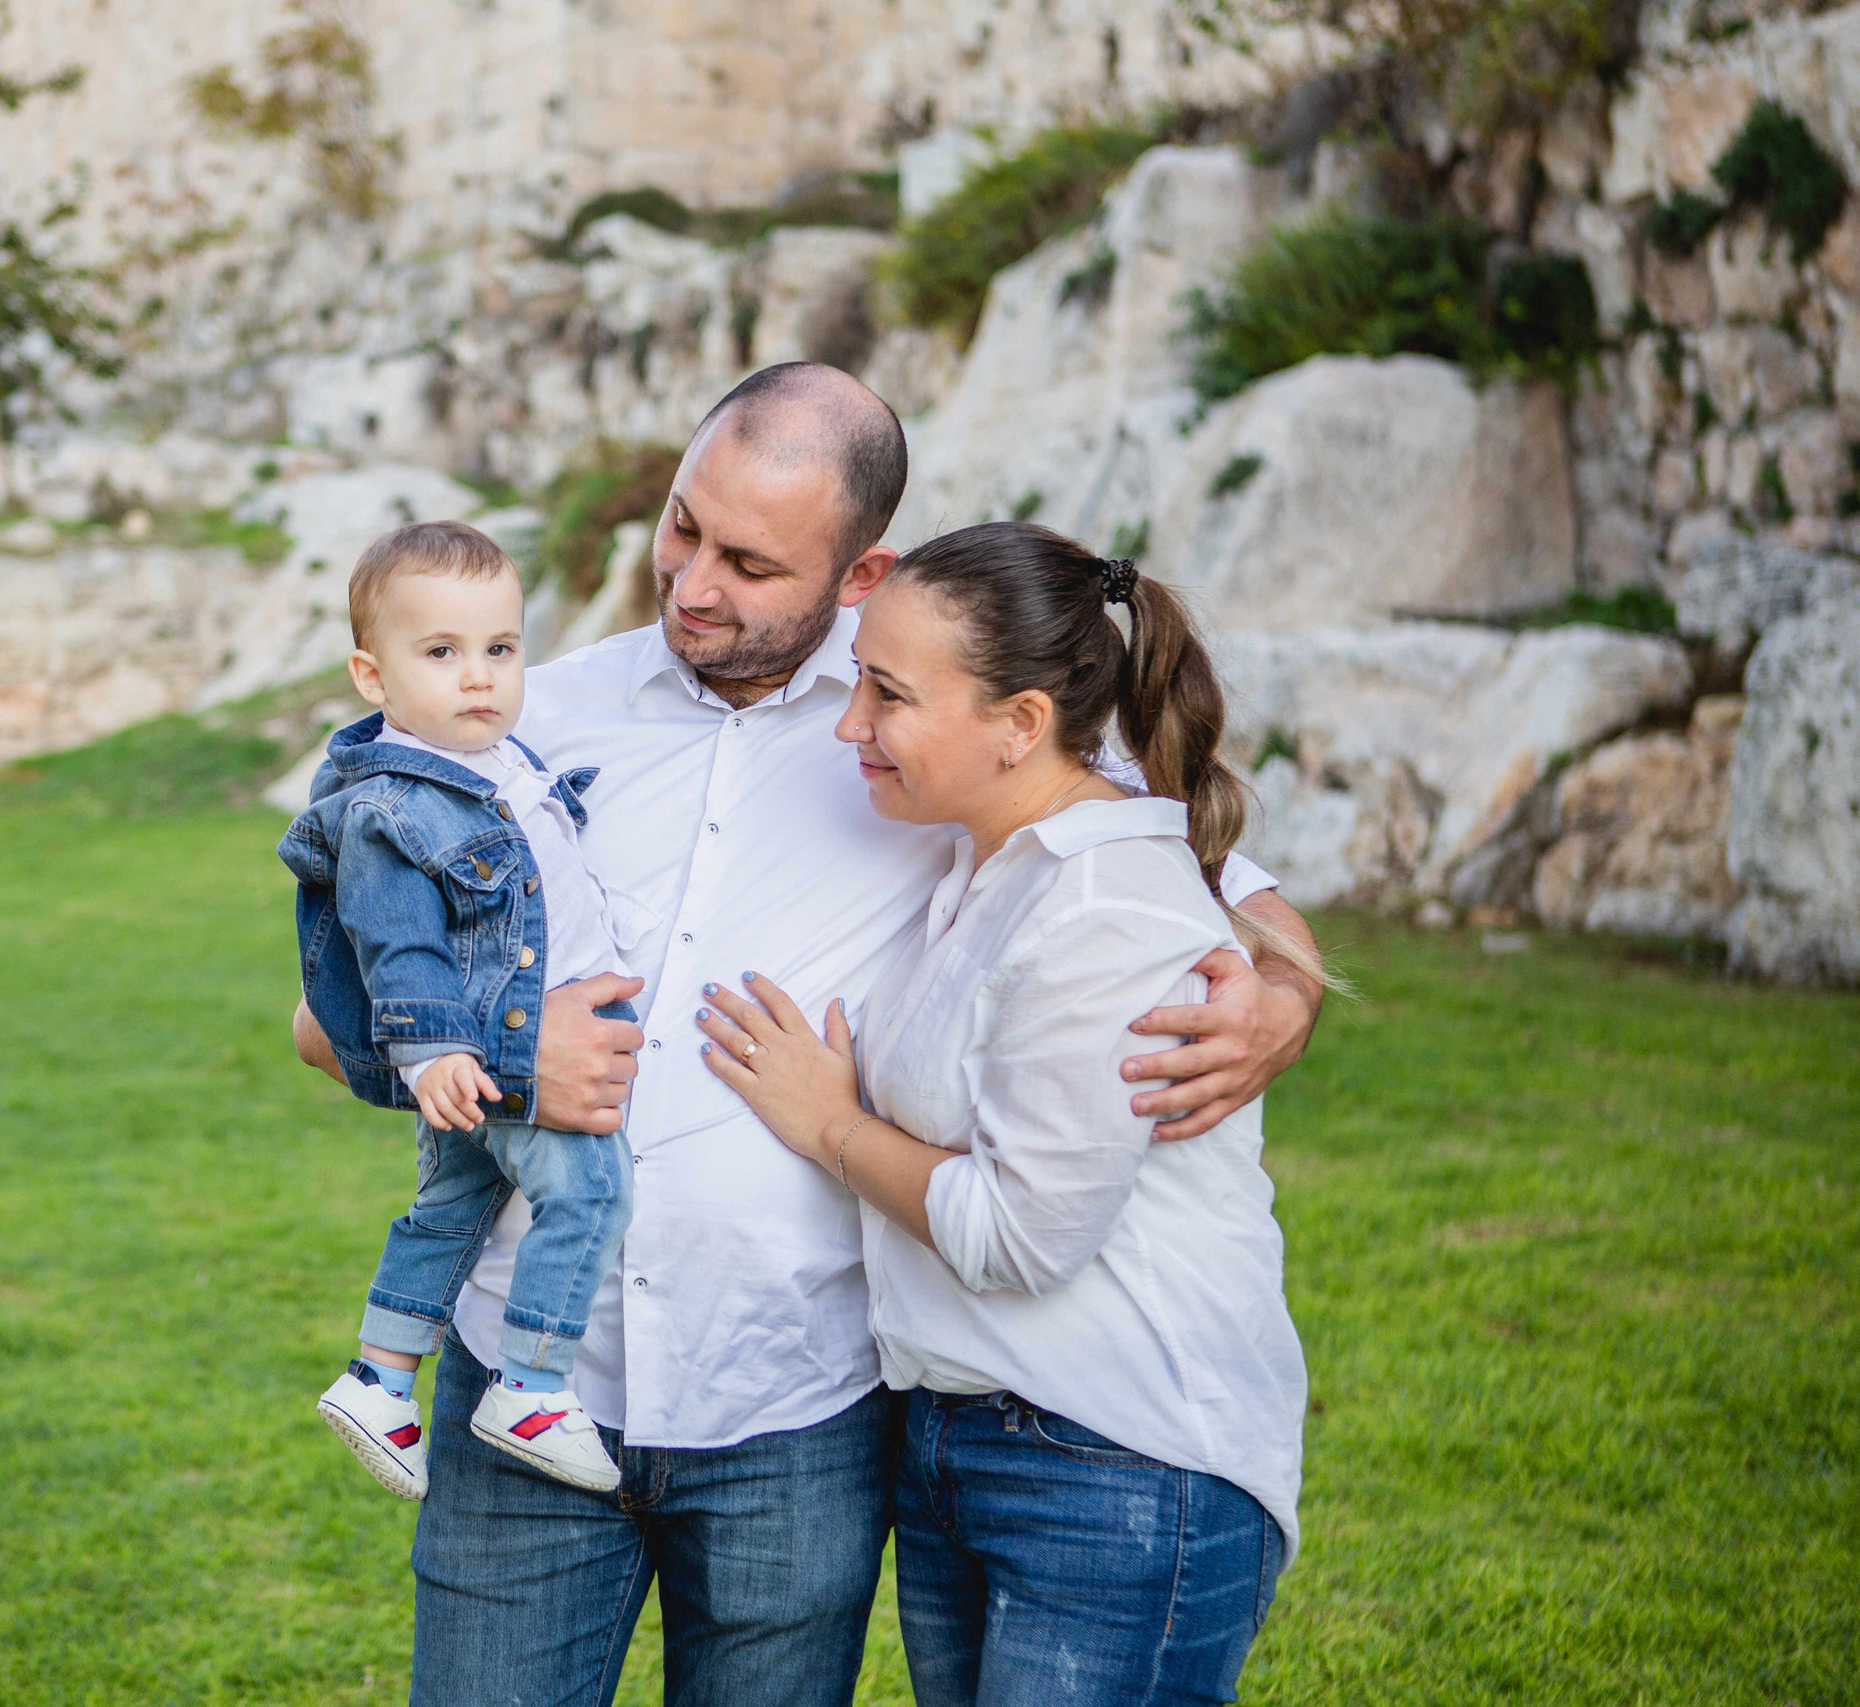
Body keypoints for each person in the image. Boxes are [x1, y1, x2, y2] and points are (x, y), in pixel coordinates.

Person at [292, 364, 1325, 1707]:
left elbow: (1202, 876)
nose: (692, 584)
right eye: (682, 527)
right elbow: (324, 1018)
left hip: (796, 1413)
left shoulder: (929, 721)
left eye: (751, 563)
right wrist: (505, 1052)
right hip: (530, 1376)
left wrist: (1283, 999)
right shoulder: (513, 717)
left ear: (859, 571)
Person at [692, 522, 1311, 1705]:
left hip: (1115, 1460)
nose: (849, 725)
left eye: (886, 695)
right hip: (965, 1442)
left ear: (1020, 723)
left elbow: (1023, 1237)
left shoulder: (1102, 906)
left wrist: (829, 1126)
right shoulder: (991, 852)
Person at [285, 521, 640, 1499]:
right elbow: (395, 940)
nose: (478, 675)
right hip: (488, 1054)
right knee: (592, 1191)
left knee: (453, 1207)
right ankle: (531, 1385)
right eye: (440, 653)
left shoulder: (497, 761)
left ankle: (379, 1377)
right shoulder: (393, 806)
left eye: (500, 648)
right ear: (373, 677)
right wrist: (434, 1050)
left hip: (478, 1059)